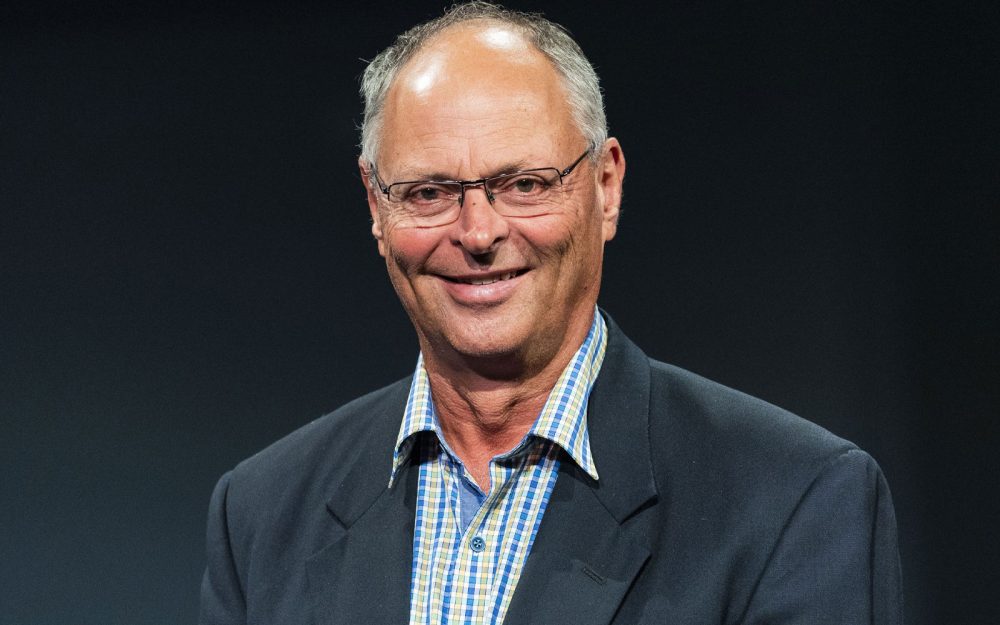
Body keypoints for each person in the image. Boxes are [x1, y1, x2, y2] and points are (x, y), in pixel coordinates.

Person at [199, 3, 903, 624]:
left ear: (606, 187)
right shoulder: (261, 514)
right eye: (428, 193)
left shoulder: (794, 501)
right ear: (375, 206)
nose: (478, 232)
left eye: (525, 183)